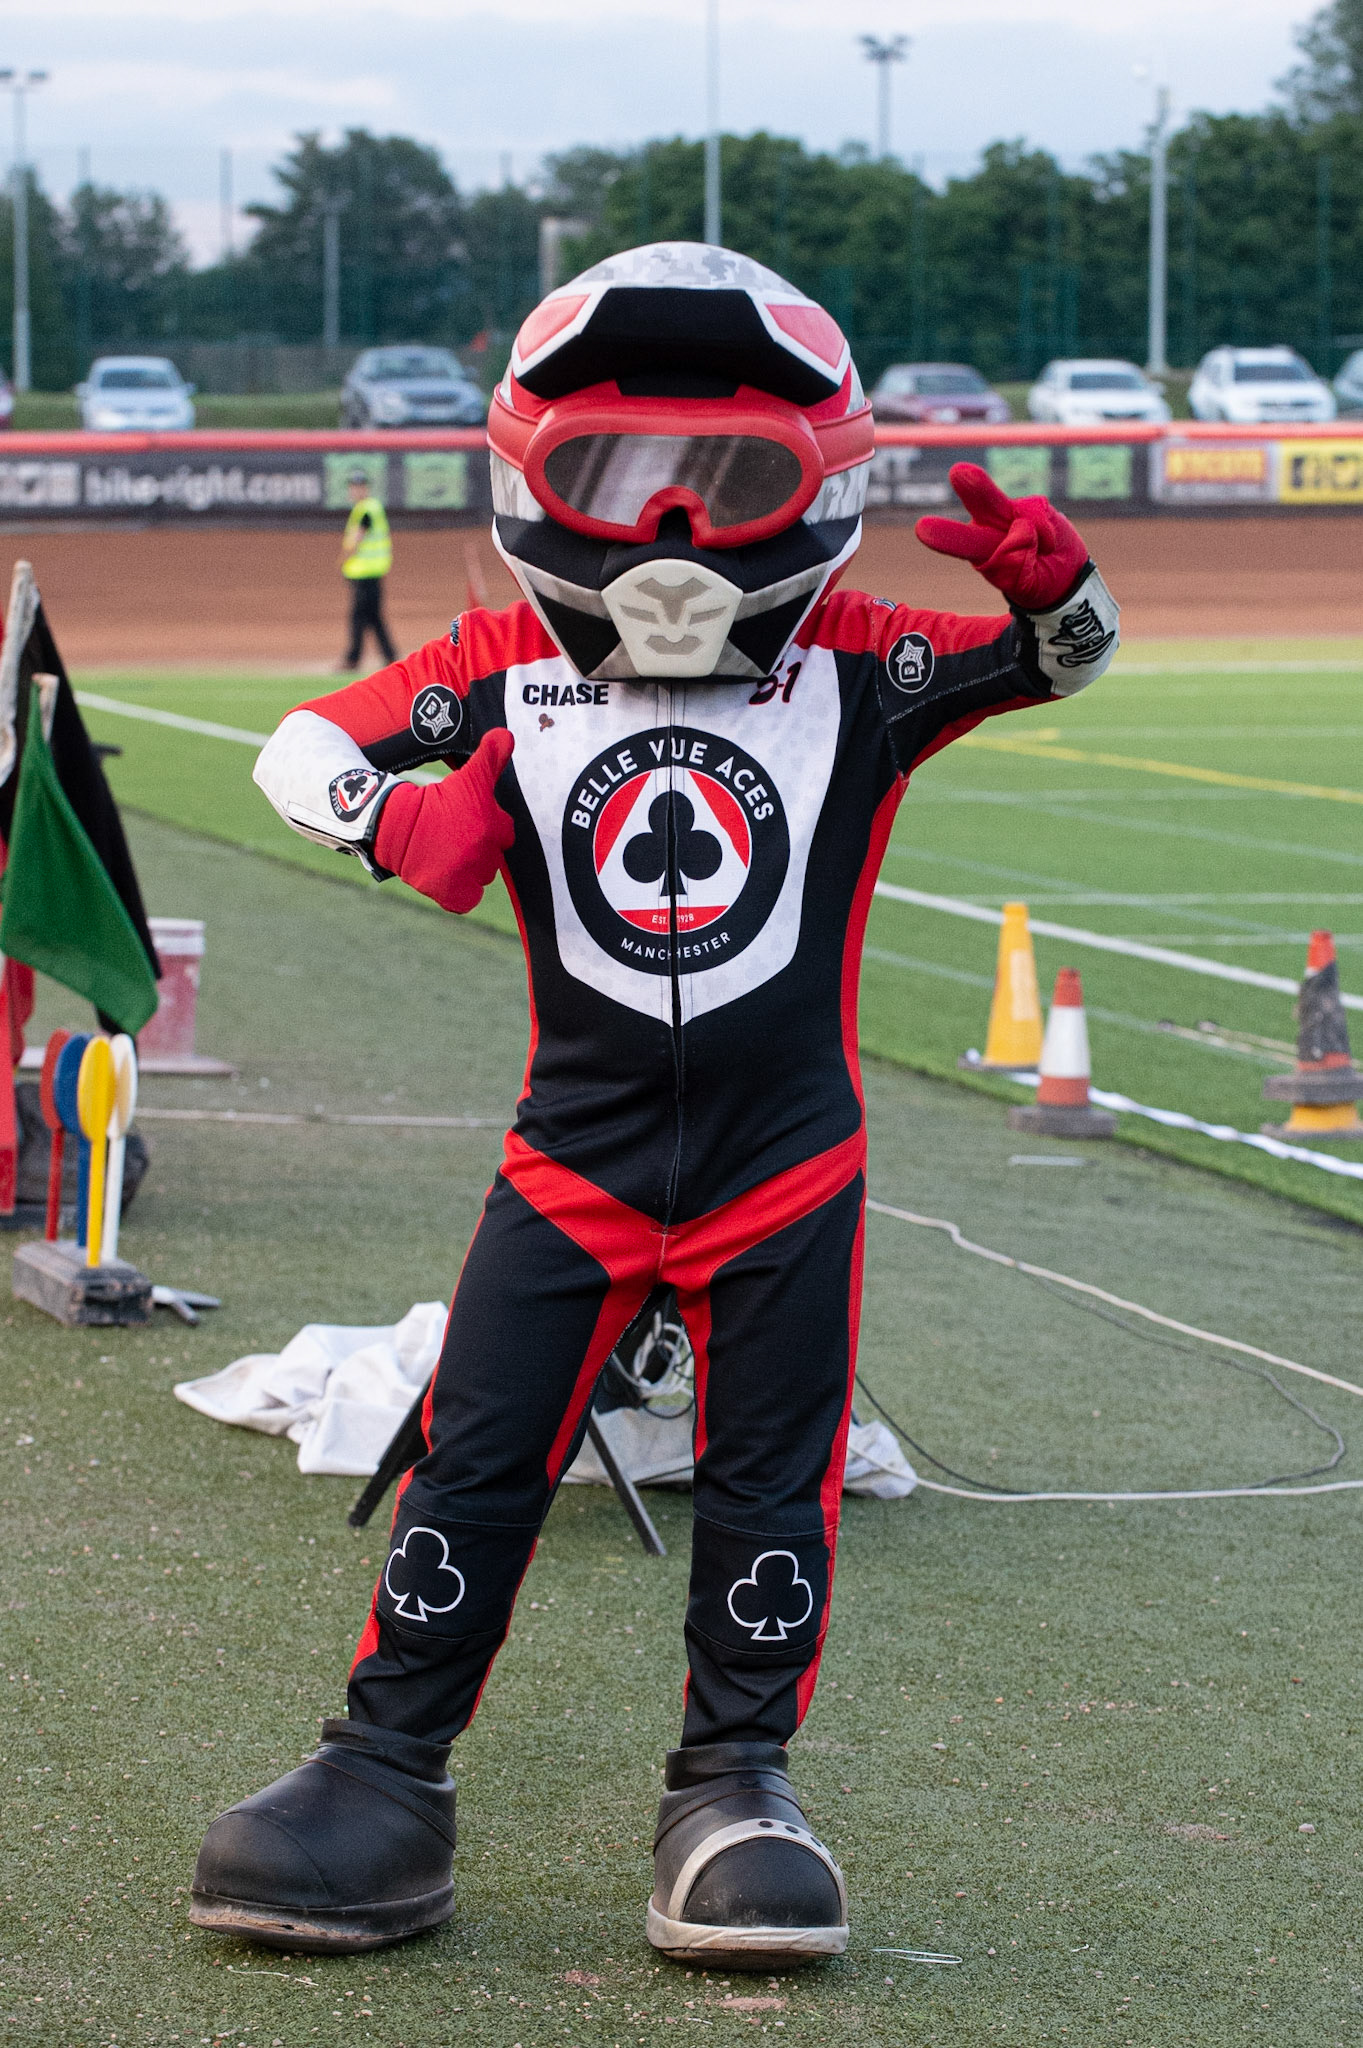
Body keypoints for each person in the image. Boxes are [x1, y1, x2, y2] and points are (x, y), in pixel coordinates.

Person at [191, 244, 1120, 1966]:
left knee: (774, 1488)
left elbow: (1057, 661)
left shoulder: (856, 660)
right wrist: (397, 824)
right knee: (473, 1465)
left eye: (732, 478)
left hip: (786, 1167)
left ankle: (735, 1785)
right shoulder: (499, 668)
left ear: (813, 485)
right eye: (620, 478)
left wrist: (1053, 585)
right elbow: (298, 744)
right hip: (572, 1162)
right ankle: (385, 1771)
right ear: (539, 476)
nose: (677, 532)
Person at [338, 466, 397, 671]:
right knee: (373, 618)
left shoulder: (367, 509)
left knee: (358, 618)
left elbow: (357, 538)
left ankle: (352, 659)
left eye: (358, 487)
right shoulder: (367, 508)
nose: (355, 491)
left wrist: (344, 559)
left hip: (366, 575)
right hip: (368, 574)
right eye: (353, 487)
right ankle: (390, 656)